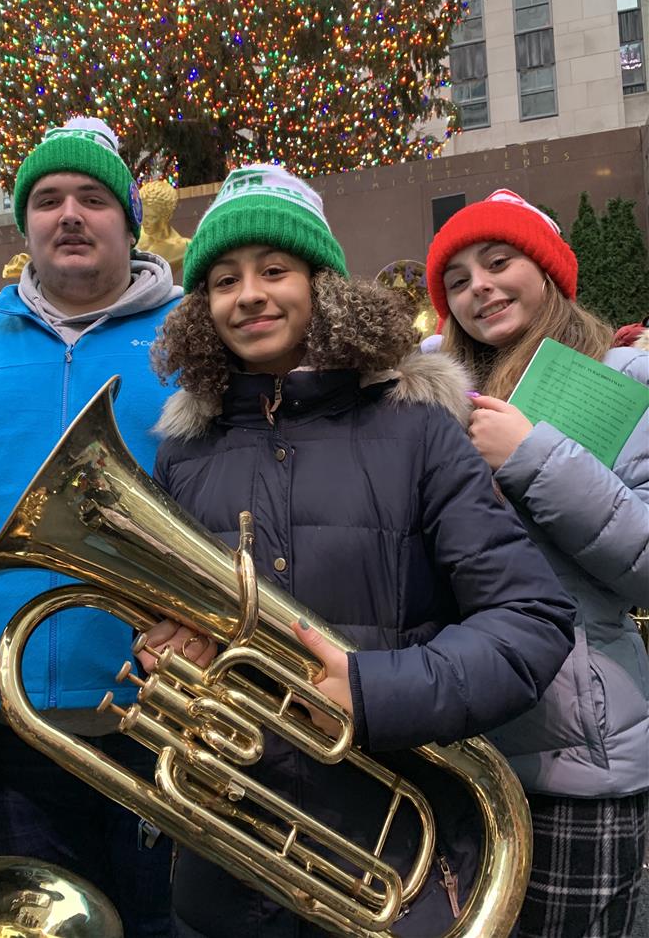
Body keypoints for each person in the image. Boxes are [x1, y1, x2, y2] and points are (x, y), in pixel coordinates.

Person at [142, 164, 577, 938]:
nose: (249, 295)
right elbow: (156, 612)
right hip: (225, 870)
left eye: (275, 270)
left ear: (323, 285)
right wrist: (166, 643)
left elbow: (532, 617)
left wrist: (375, 690)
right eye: (223, 280)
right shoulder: (182, 452)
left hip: (395, 856)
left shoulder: (417, 428)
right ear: (201, 309)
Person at [0, 117, 181, 937]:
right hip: (2, 727)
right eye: (48, 198)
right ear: (24, 225)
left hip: (162, 715)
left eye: (93, 198)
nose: (69, 214)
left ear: (129, 221)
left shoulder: (195, 339)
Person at [425, 188, 649, 938]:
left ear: (548, 270)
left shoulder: (626, 377)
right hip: (459, 753)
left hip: (575, 767)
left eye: (498, 262)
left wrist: (533, 454)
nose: (477, 287)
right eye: (456, 279)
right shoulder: (431, 396)